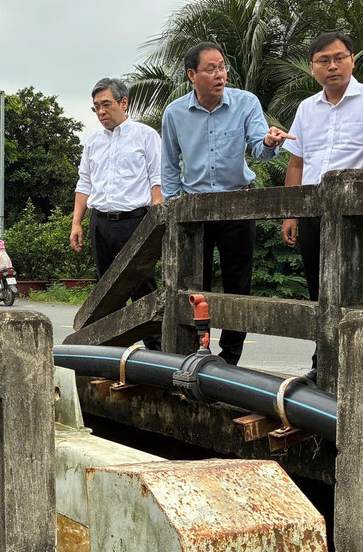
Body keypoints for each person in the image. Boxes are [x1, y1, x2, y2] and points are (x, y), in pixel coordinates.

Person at [161, 41, 287, 364]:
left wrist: (270, 142)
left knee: (237, 284)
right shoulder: (174, 113)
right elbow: (170, 167)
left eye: (222, 67)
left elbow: (259, 147)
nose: (220, 75)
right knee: (192, 283)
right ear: (192, 75)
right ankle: (195, 350)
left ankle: (230, 358)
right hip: (195, 209)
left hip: (237, 205)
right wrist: (175, 210)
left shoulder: (246, 103)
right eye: (210, 69)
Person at [279, 31, 363, 375]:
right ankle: (322, 362)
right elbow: (297, 163)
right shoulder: (306, 108)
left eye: (339, 58)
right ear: (312, 68)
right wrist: (291, 213)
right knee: (317, 289)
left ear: (353, 60)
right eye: (323, 61)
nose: (332, 66)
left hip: (358, 214)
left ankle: (356, 365)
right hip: (312, 212)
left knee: (357, 289)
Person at [71, 77, 162, 347]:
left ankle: (158, 357)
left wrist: (157, 226)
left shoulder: (146, 136)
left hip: (135, 222)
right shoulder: (92, 143)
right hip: (100, 223)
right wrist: (77, 223)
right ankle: (110, 358)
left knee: (143, 288)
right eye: (96, 107)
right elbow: (84, 184)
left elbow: (157, 180)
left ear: (124, 103)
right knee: (105, 291)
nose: (101, 112)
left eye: (106, 105)